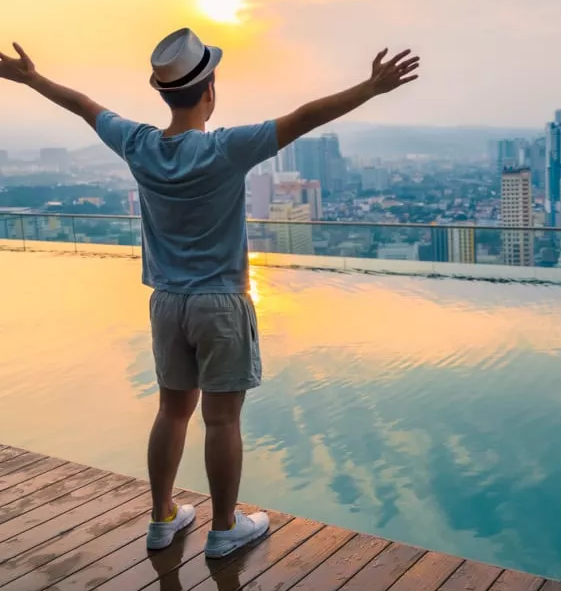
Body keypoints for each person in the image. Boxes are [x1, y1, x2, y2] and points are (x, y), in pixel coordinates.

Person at [0, 29, 419, 557]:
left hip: (167, 302)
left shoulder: (138, 144)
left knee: (171, 411)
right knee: (221, 419)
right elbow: (306, 116)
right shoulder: (227, 148)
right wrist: (371, 87)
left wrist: (31, 78)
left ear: (163, 92)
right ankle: (224, 528)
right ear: (210, 90)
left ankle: (162, 519)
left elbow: (85, 106)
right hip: (220, 303)